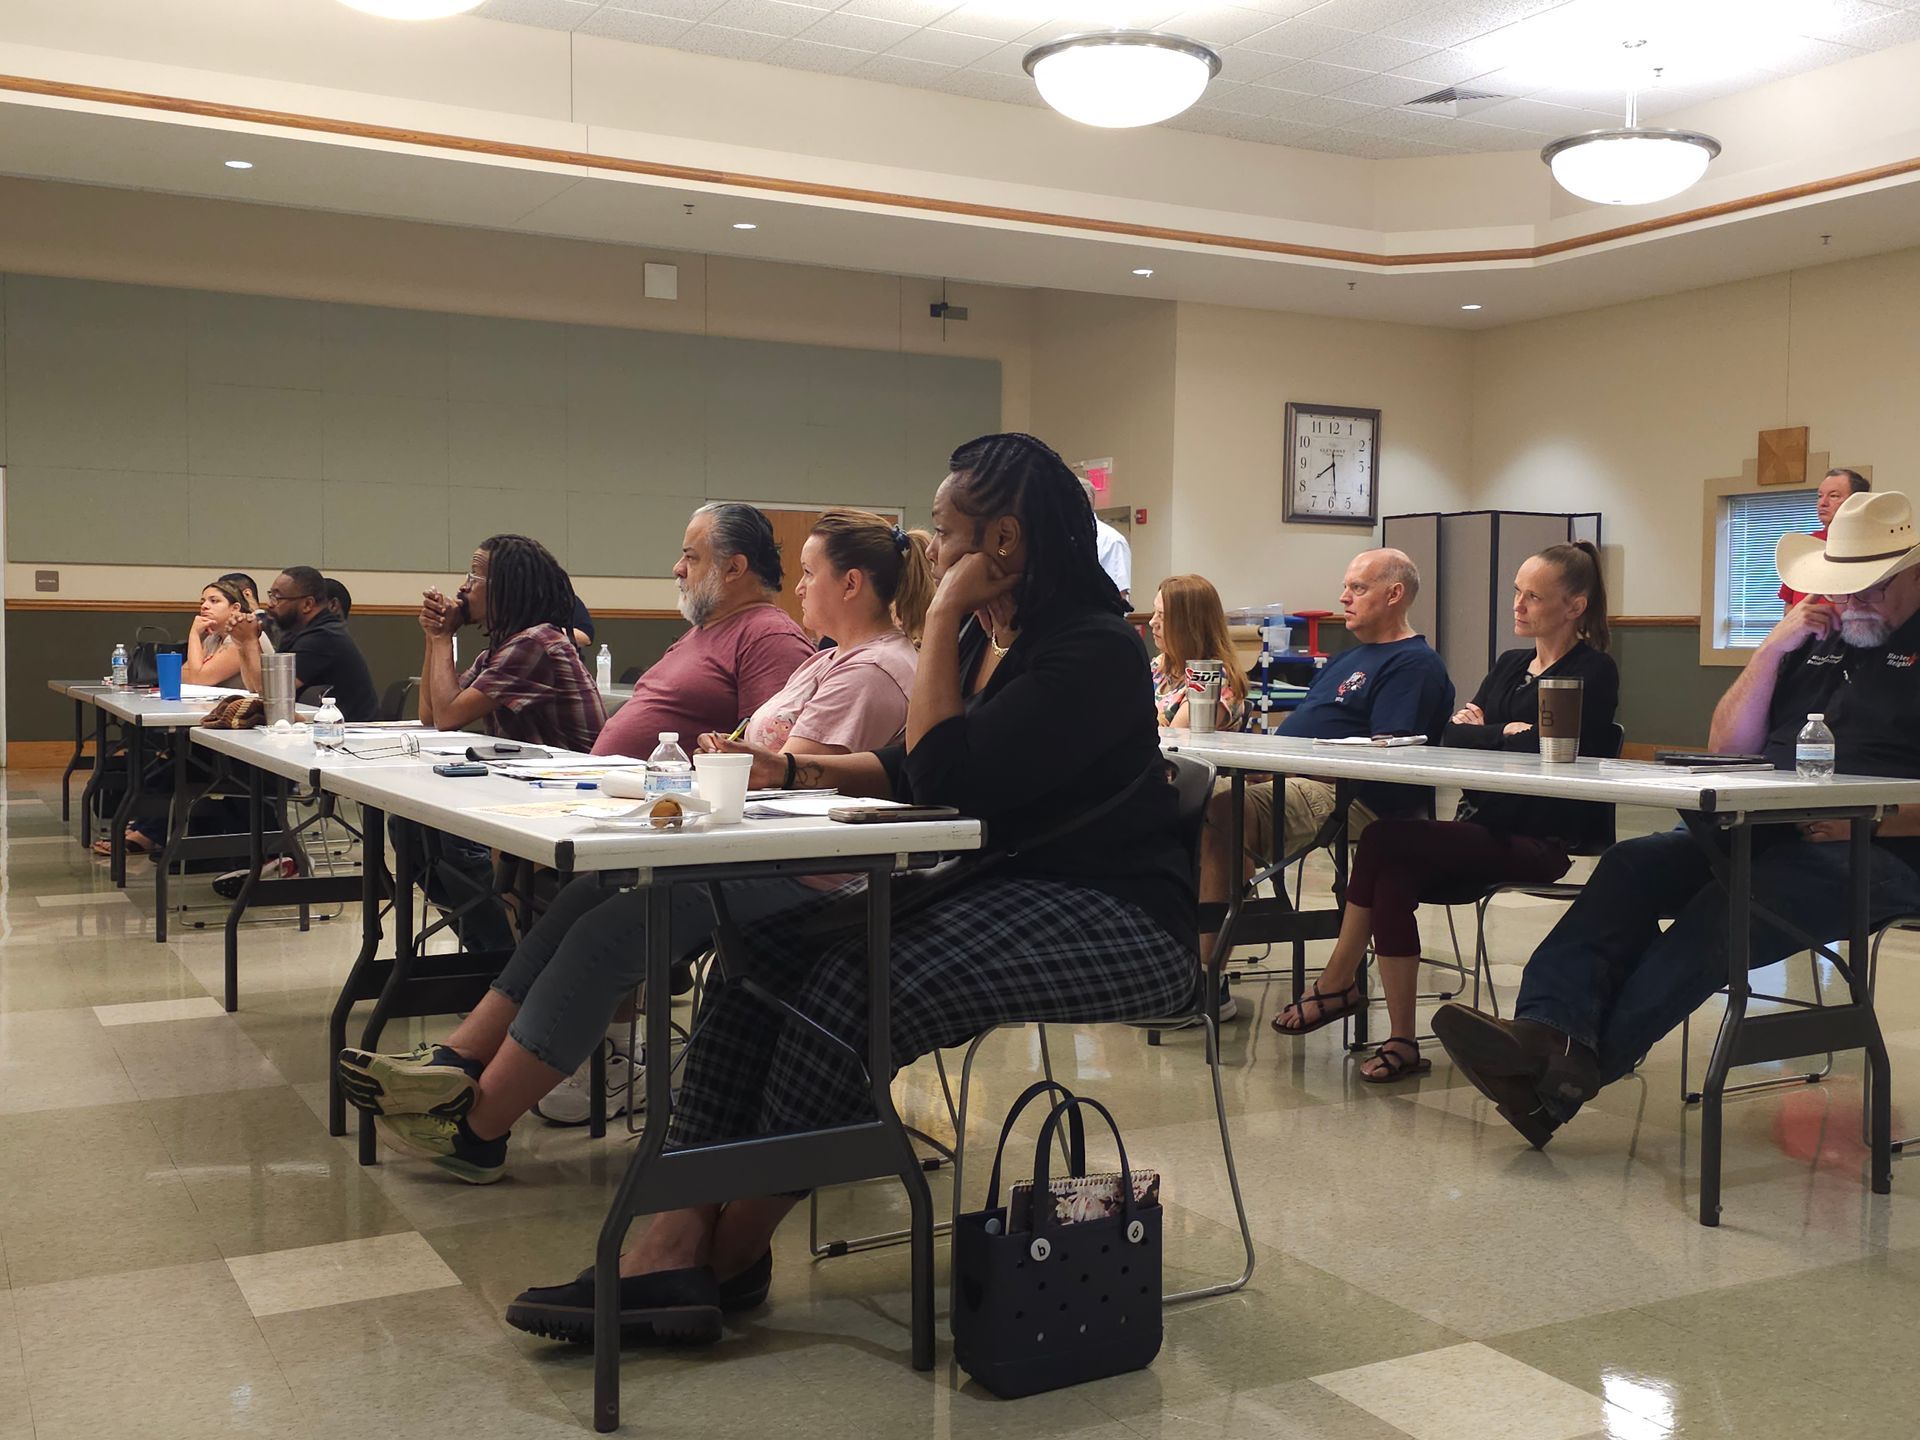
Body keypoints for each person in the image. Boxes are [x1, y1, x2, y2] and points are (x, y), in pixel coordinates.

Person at [356, 434, 1196, 1346]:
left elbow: (955, 779)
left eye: (947, 536)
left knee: (860, 984)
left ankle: (732, 1249)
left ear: (1005, 544)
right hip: (1007, 888)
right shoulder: (998, 643)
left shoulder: (1092, 650)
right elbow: (911, 765)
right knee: (764, 952)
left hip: (1117, 916)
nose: (932, 551)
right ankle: (673, 1230)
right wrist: (789, 768)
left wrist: (947, 606)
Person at [338, 506, 937, 1152]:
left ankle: (475, 1127)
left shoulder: (872, 669)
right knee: (586, 898)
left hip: (813, 871)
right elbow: (764, 758)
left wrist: (730, 768)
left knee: (617, 927)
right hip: (758, 851)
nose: (796, 587)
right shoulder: (828, 661)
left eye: (810, 573)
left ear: (850, 585)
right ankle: (455, 1064)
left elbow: (793, 776)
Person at [1434, 490, 1920, 1148]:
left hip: (1880, 849)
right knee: (1632, 865)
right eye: (1843, 585)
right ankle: (1548, 1032)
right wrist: (1775, 648)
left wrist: (1869, 818)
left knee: (1726, 911)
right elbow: (1728, 745)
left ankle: (1561, 1082)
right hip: (1767, 823)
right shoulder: (1820, 639)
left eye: (1869, 586)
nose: (1852, 599)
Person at [1271, 543, 1618, 1081]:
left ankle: (1337, 979)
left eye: (1533, 596)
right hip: (1484, 826)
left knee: (1386, 839)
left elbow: (1547, 749)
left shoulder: (1593, 672)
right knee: (1394, 875)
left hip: (1543, 839)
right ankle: (1403, 1041)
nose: (1519, 606)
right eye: (1517, 593)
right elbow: (1451, 736)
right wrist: (1501, 731)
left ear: (1573, 607)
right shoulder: (1510, 666)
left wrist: (1488, 732)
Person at [1198, 549, 1453, 949]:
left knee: (1225, 811)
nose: (1344, 598)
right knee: (1184, 799)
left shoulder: (1413, 664)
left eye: (1358, 587)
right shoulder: (1348, 657)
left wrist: (1287, 769)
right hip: (1297, 776)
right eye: (1345, 587)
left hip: (1357, 800)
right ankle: (1179, 951)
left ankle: (1206, 977)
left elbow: (1386, 760)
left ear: (1394, 594)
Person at [393, 535, 609, 958]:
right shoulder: (505, 647)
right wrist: (435, 636)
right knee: (410, 826)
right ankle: (496, 950)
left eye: (475, 576)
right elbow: (431, 715)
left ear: (507, 587)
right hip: (531, 789)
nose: (463, 587)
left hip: (576, 799)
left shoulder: (535, 645)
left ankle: (500, 957)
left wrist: (441, 640)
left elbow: (449, 715)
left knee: (441, 839)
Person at [591, 503, 815, 760]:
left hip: (671, 795)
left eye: (691, 557)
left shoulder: (771, 638)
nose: (678, 568)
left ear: (734, 568)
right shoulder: (702, 631)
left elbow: (770, 755)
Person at [230, 566, 380, 722]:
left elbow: (269, 692)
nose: (270, 604)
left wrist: (249, 641)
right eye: (270, 595)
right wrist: (241, 643)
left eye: (277, 597)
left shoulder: (325, 636)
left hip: (347, 735)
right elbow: (255, 687)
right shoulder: (295, 632)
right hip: (321, 729)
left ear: (307, 604)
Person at [1149, 574, 1247, 731]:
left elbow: (1174, 744)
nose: (1152, 622)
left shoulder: (1212, 679)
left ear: (1189, 626)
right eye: (1154, 613)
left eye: (1162, 616)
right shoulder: (1160, 664)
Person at [1779, 468, 1870, 608]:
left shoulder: (1872, 547)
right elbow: (1789, 604)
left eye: (1833, 496)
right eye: (1820, 496)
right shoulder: (1802, 546)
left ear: (1856, 502)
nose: (1823, 503)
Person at [1080, 477, 1131, 604]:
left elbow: (1117, 597)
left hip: (1096, 622)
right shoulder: (1057, 540)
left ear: (1085, 501)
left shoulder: (1111, 541)